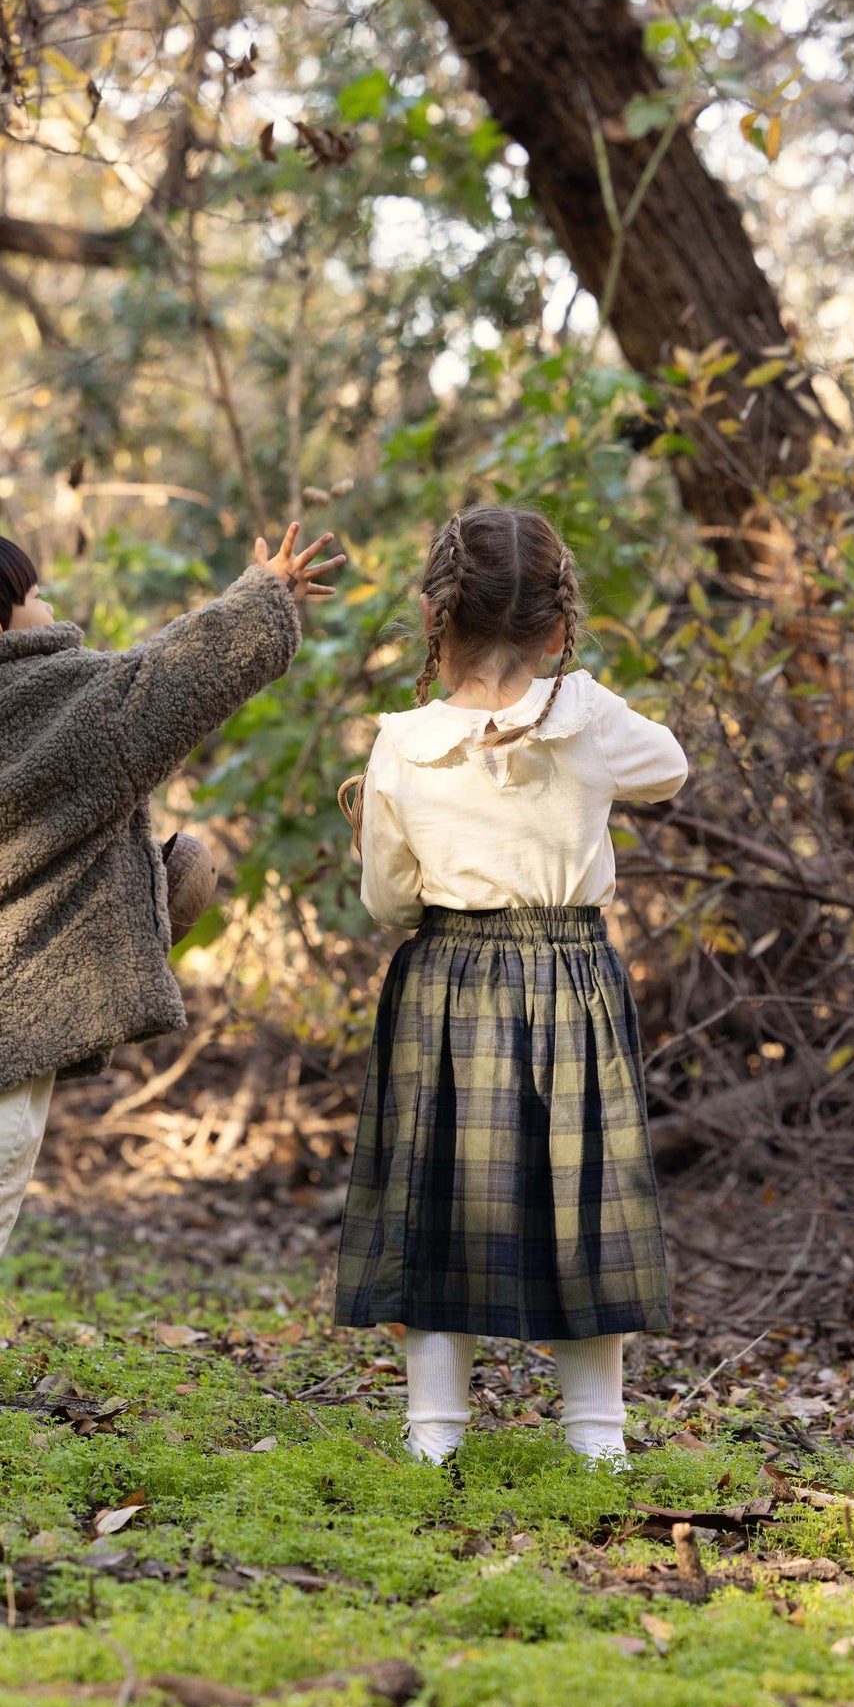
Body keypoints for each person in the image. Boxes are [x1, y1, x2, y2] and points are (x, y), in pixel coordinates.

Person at [0, 521, 343, 1371]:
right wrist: (262, 596)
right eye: (36, 592)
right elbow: (165, 682)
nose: (53, 604)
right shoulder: (53, 697)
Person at [334, 506, 686, 1465]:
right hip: (570, 975)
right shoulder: (592, 718)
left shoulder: (400, 742)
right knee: (583, 1196)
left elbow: (387, 901)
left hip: (444, 980)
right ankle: (596, 1439)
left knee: (435, 1195)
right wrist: (576, 713)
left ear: (434, 620)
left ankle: (434, 1434)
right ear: (559, 629)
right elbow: (670, 768)